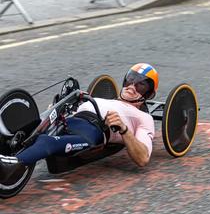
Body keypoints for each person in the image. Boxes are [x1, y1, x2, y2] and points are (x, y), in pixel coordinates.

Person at [0, 63, 159, 183]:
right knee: (29, 126)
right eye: (130, 80)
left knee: (46, 141)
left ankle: (13, 164)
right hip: (68, 120)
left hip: (91, 131)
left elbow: (143, 158)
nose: (132, 86)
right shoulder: (105, 98)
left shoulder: (144, 118)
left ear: (149, 94)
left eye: (140, 85)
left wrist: (124, 129)